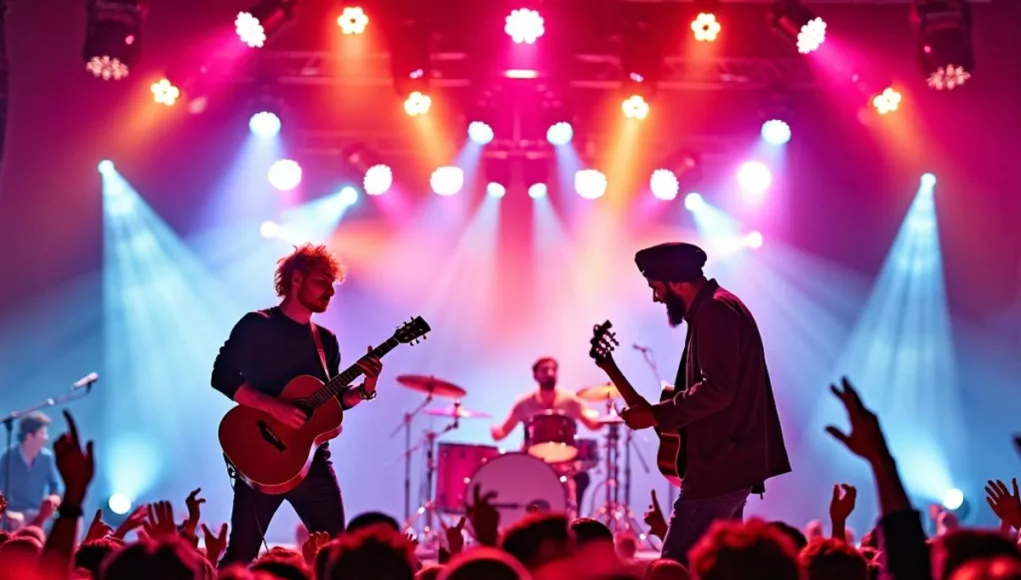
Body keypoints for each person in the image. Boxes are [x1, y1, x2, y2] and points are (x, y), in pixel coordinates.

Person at [617, 242, 791, 565]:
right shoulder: (718, 307)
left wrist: (656, 414)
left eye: (656, 287)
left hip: (719, 467)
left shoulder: (715, 311)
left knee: (673, 567)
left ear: (676, 281)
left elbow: (718, 390)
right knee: (716, 568)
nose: (656, 297)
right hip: (731, 465)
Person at [211, 243, 384, 566]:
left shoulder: (326, 341)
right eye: (323, 281)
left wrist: (366, 388)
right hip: (261, 457)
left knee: (337, 554)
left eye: (333, 285)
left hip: (312, 463)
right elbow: (221, 376)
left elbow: (333, 406)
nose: (330, 291)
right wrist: (274, 408)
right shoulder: (257, 324)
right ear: (296, 280)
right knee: (240, 557)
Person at [491, 357, 602, 513]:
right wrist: (496, 433)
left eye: (553, 369)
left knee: (582, 479)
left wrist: (608, 419)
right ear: (535, 376)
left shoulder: (570, 399)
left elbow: (592, 424)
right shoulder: (524, 403)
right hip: (532, 460)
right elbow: (503, 432)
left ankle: (574, 522)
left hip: (565, 461)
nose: (550, 373)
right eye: (544, 370)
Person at [0, 412, 62, 530]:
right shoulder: (8, 457)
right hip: (12, 517)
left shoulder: (46, 458)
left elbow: (56, 487)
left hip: (37, 516)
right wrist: (8, 515)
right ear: (29, 436)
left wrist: (53, 500)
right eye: (42, 433)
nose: (46, 438)